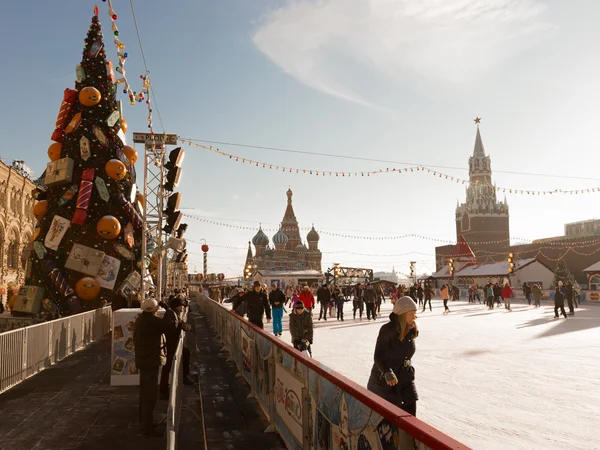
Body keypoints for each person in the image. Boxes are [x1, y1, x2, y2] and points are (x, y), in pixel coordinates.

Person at [367, 296, 419, 417]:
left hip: (405, 377)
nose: (414, 317)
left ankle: (409, 436)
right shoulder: (387, 330)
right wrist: (387, 372)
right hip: (386, 381)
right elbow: (378, 355)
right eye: (411, 314)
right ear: (402, 314)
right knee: (390, 419)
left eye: (414, 314)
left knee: (411, 416)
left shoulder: (410, 329)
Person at [133, 298, 174, 437]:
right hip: (150, 360)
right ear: (154, 309)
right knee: (149, 395)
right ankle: (147, 427)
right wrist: (167, 308)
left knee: (144, 393)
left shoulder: (141, 319)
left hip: (143, 360)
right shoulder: (152, 321)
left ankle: (144, 421)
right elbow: (170, 324)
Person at [159, 296, 192, 399]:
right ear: (177, 306)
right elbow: (171, 329)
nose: (183, 308)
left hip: (172, 344)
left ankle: (165, 389)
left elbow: (180, 324)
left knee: (184, 353)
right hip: (170, 345)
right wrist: (181, 326)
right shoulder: (171, 315)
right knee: (167, 367)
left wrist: (183, 325)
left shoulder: (173, 313)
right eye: (182, 306)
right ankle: (164, 391)